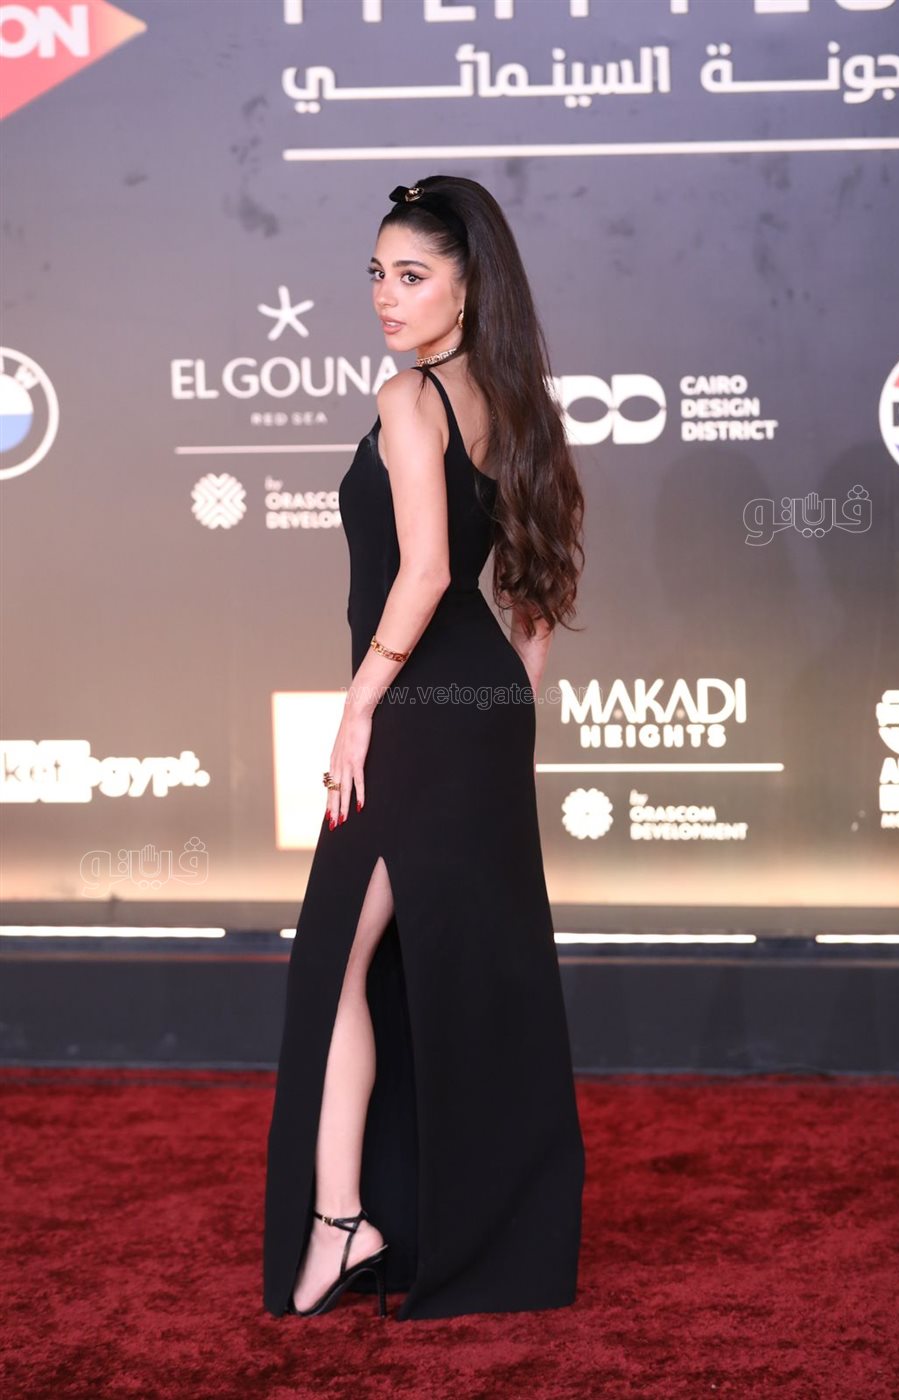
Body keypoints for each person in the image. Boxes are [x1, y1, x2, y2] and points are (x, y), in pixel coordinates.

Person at [263, 175, 586, 1322]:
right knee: (437, 968)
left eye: (412, 275)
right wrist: (505, 715)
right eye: (376, 274)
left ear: (468, 286)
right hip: (477, 710)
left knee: (338, 963)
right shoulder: (515, 400)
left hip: (412, 712)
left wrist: (360, 704)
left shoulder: (409, 397)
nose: (385, 297)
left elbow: (430, 572)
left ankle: (344, 1219)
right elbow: (534, 592)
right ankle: (403, 1221)